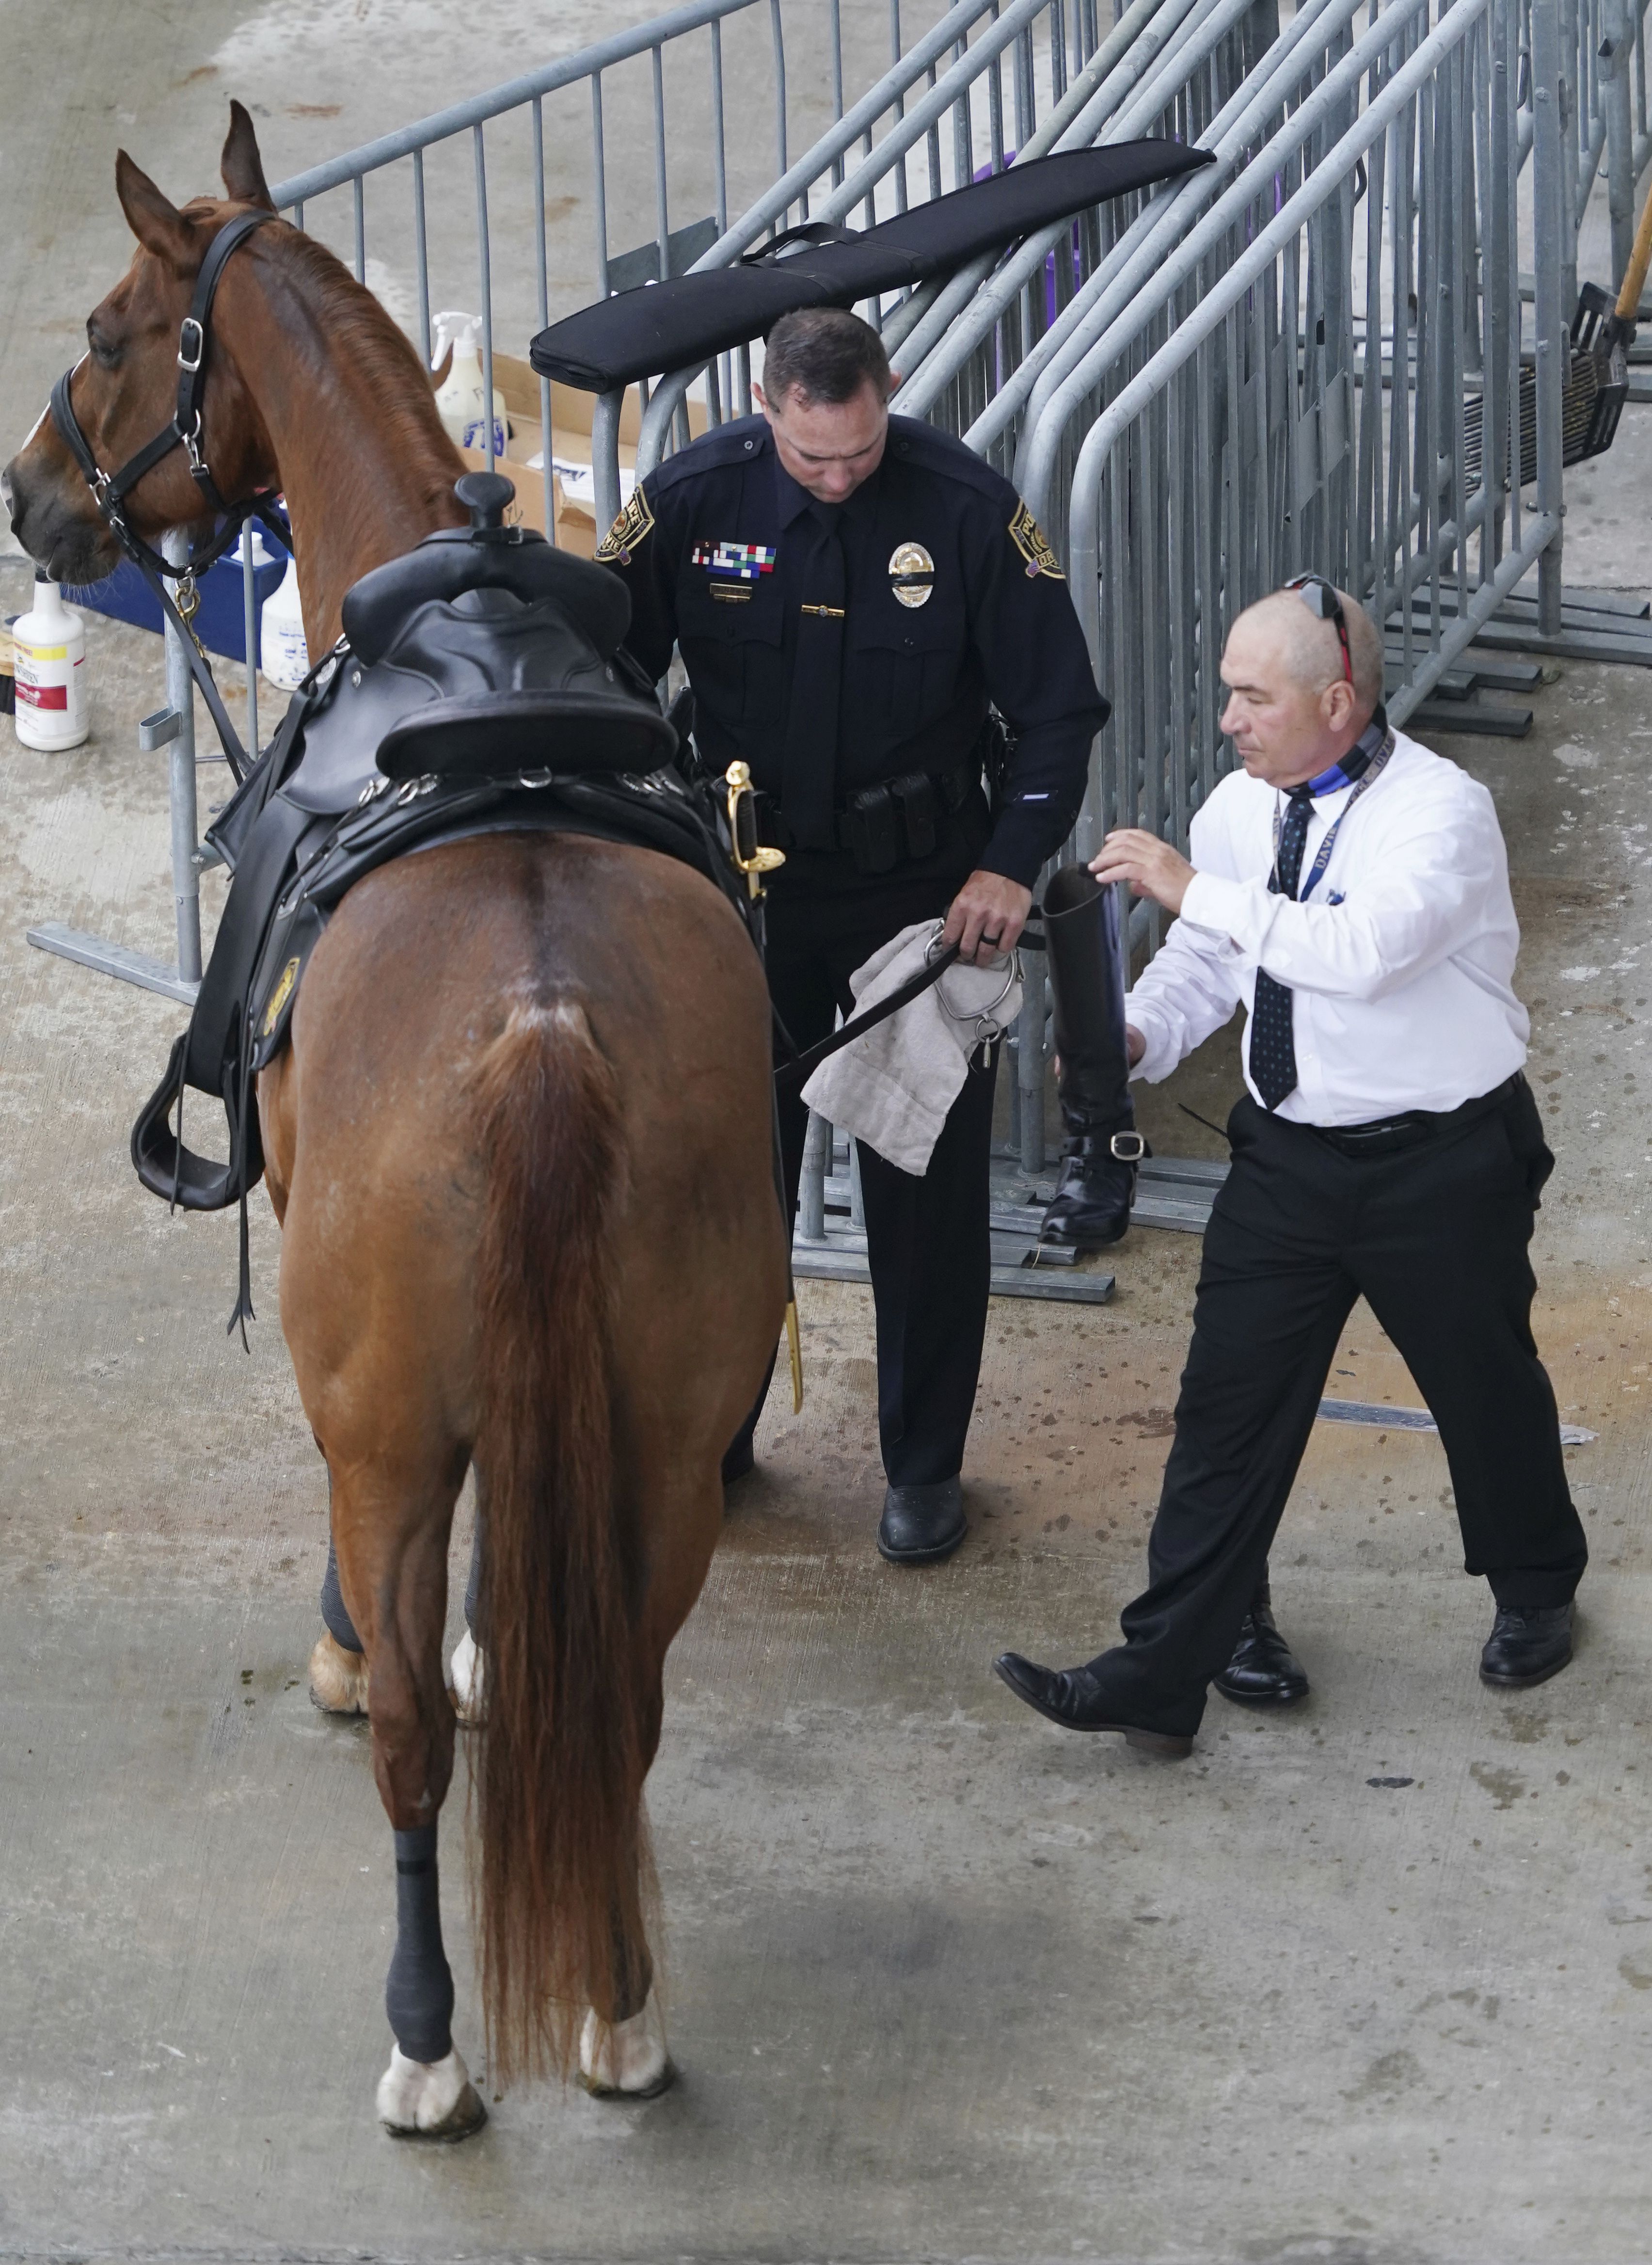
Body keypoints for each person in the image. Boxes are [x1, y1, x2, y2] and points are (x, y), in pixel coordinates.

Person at [994, 577, 1588, 1757]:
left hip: (1442, 1162)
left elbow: (1359, 953)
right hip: (1289, 1162)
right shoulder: (1237, 807)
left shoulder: (1441, 812)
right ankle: (1179, 1658)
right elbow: (1216, 962)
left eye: (1253, 697)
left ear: (1337, 699)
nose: (1230, 719)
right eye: (1227, 693)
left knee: (1484, 1384)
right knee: (1228, 1406)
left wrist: (1189, 886)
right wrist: (1139, 1033)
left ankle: (1535, 1586)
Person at [599, 306, 1112, 1564]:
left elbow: (1060, 716)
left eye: (861, 450)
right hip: (742, 898)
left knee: (924, 1198)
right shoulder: (693, 499)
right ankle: (718, 1434)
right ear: (767, 406)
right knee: (727, 1180)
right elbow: (608, 668)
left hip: (920, 901)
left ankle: (923, 1467)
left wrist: (1006, 866)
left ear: (886, 395)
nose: (839, 476)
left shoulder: (965, 509)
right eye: (814, 457)